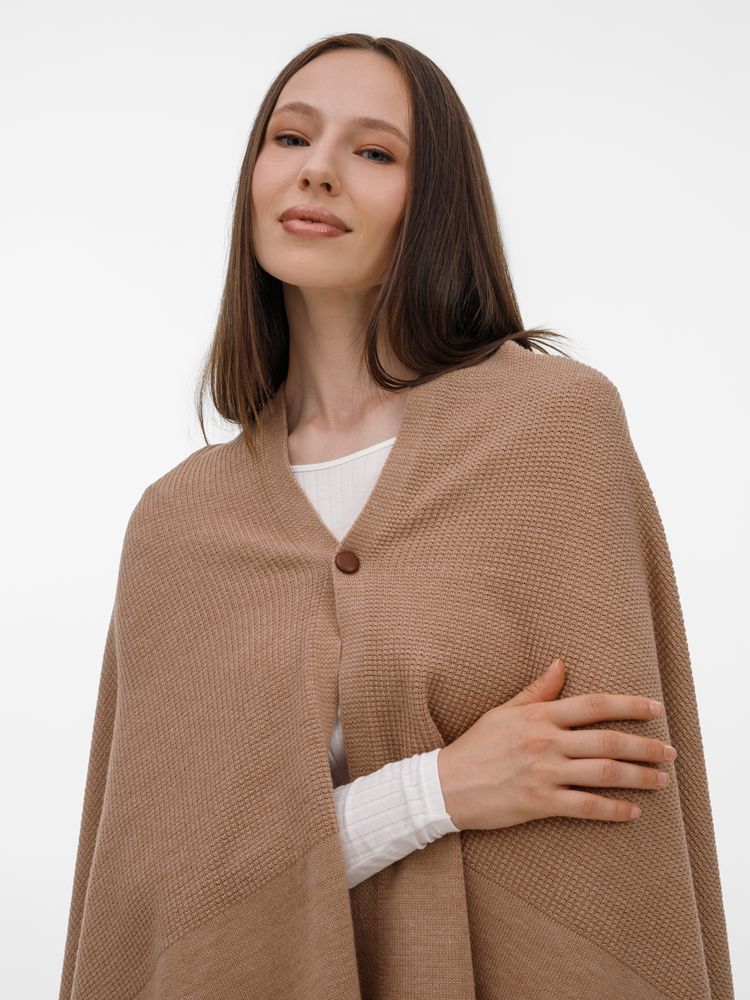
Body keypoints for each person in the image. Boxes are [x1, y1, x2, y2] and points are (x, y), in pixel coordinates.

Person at [59, 32, 733, 1000]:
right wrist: (437, 792)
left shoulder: (554, 431)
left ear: (434, 204)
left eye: (374, 151)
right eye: (291, 138)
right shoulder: (179, 526)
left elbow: (614, 832)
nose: (319, 171)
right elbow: (171, 905)